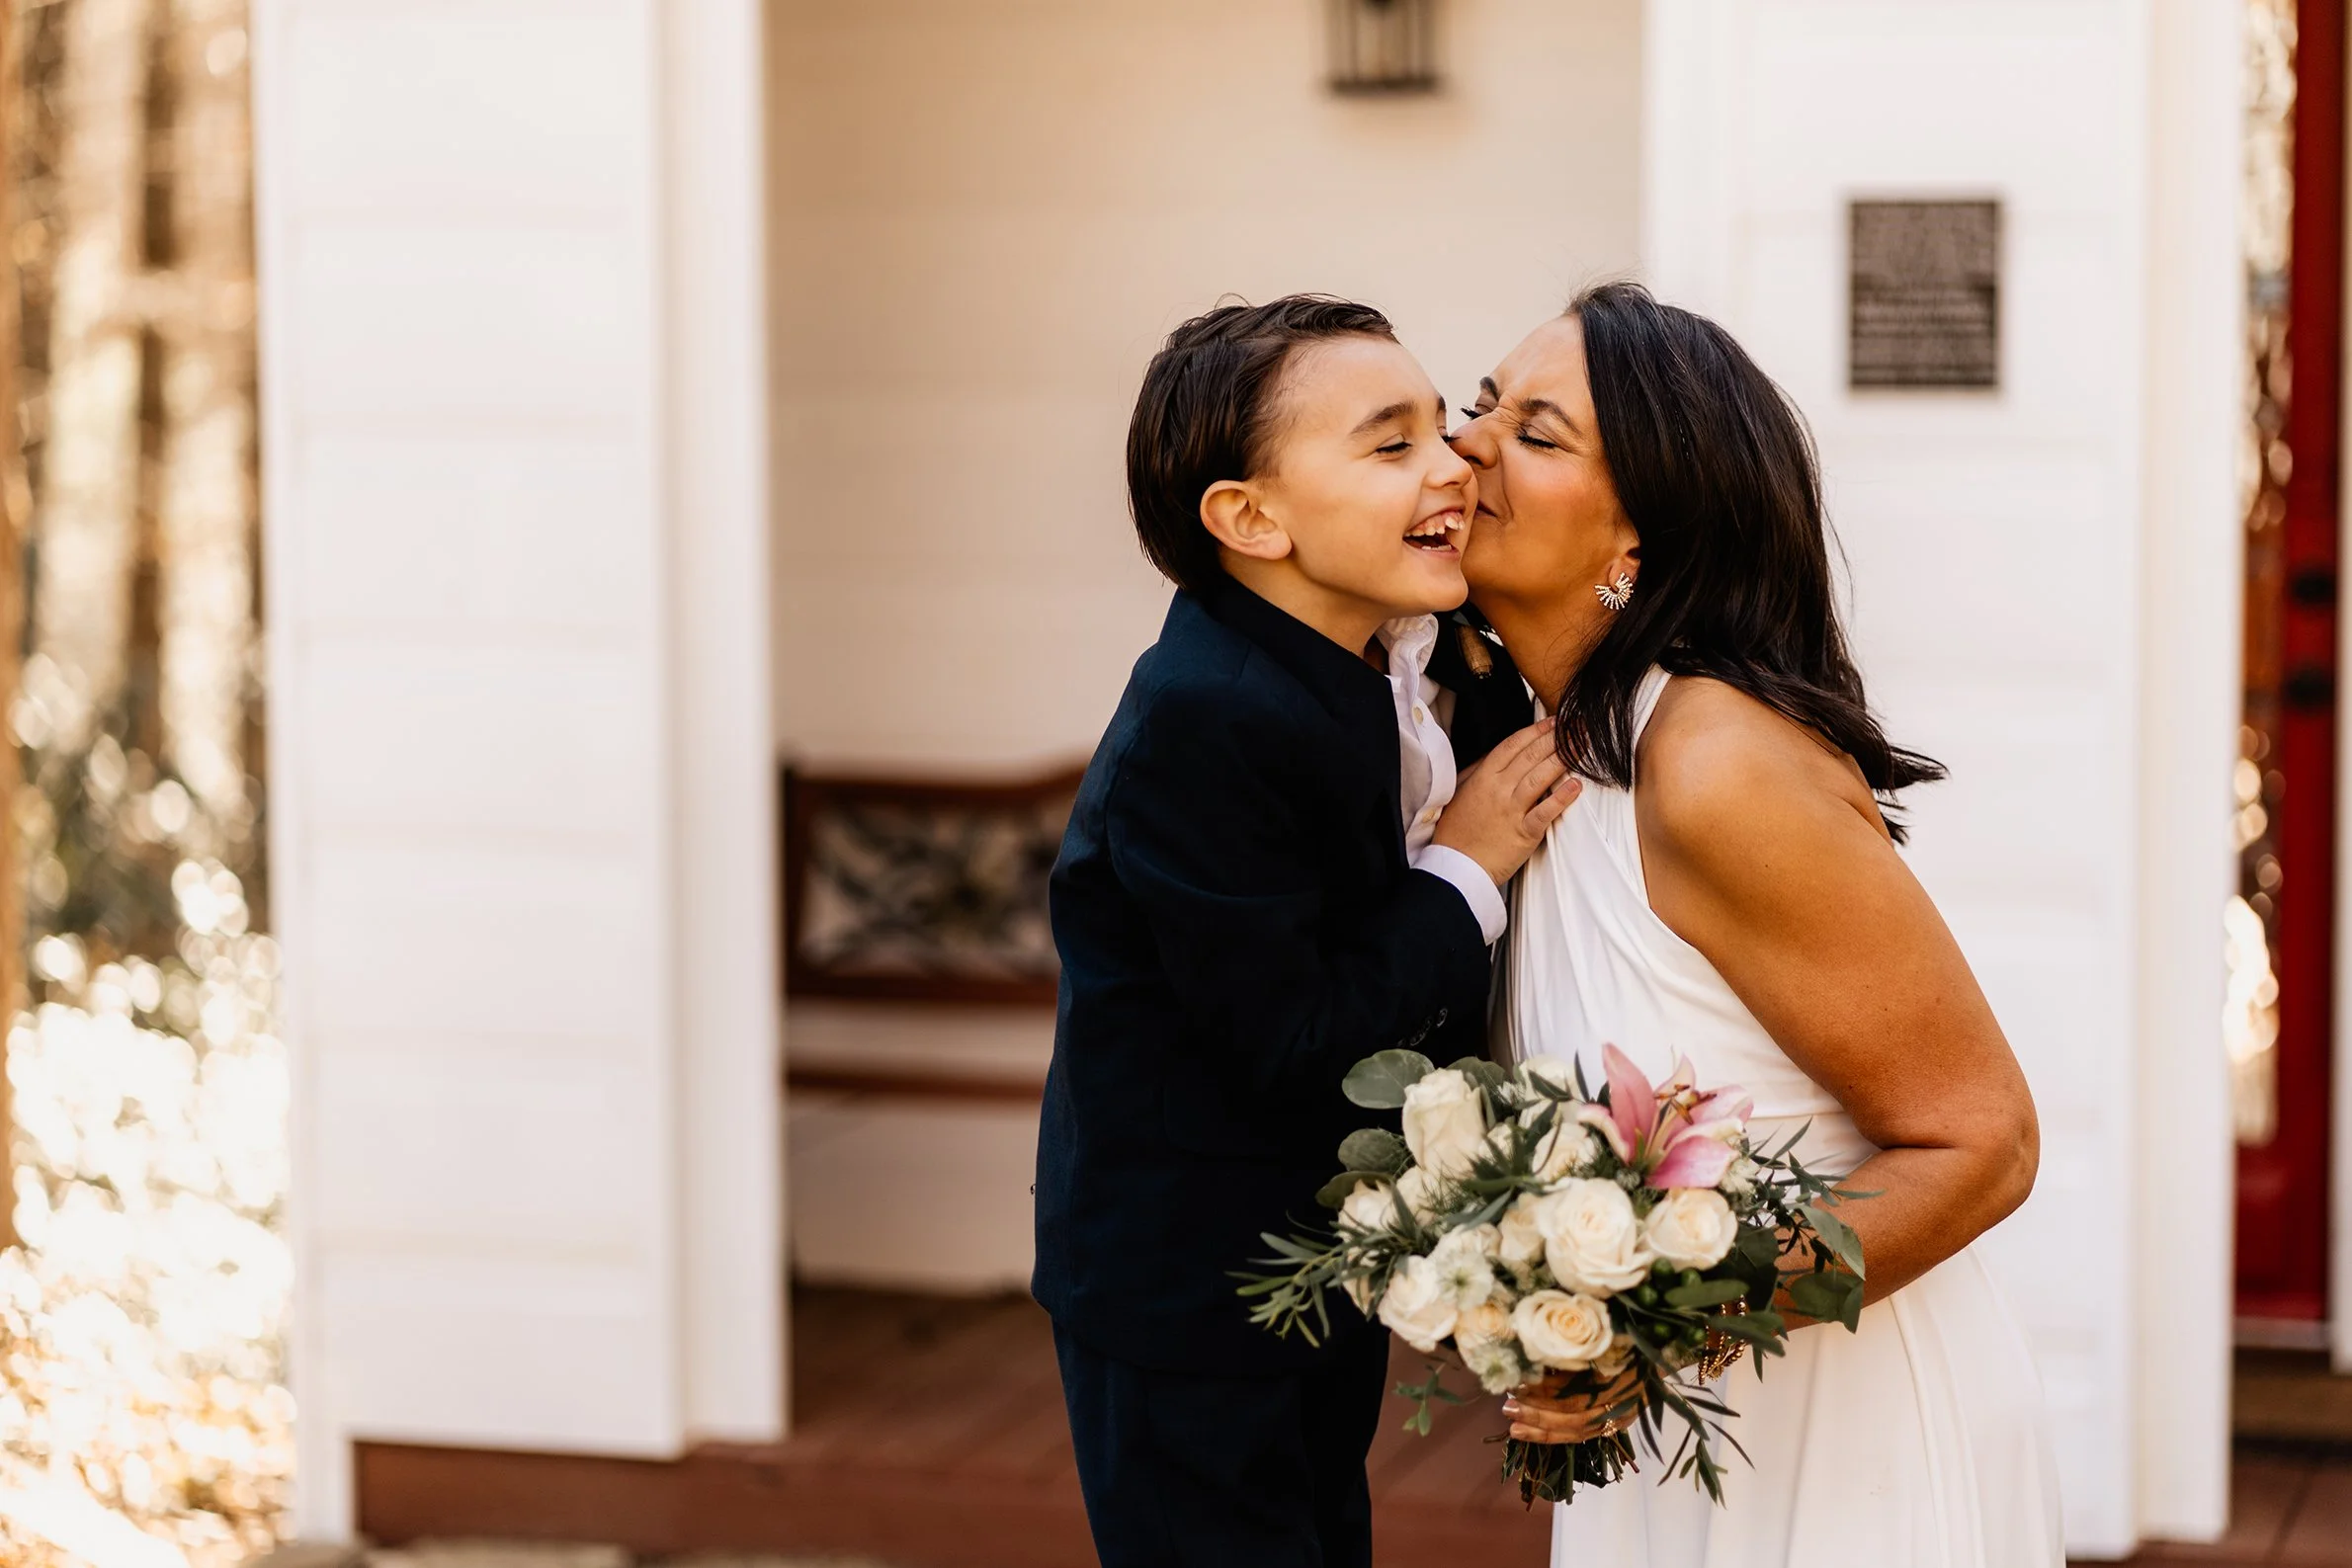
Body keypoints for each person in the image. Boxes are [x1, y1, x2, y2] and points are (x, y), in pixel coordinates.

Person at [1462, 282, 2064, 1565]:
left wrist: (1661, 1321)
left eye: (1539, 431)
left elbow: (1983, 1141)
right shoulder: (1549, 762)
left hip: (1844, 1446)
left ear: (1643, 536)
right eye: (1481, 407)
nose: (1471, 445)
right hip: (1678, 1442)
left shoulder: (1713, 760)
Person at [1033, 294, 1574, 1568]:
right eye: (1390, 445)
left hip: (1316, 1257)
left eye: (1444, 427)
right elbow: (1293, 1034)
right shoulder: (1204, 720)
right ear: (1252, 518)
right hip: (1186, 1284)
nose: (1453, 465)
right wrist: (1468, 863)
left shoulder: (1404, 654)